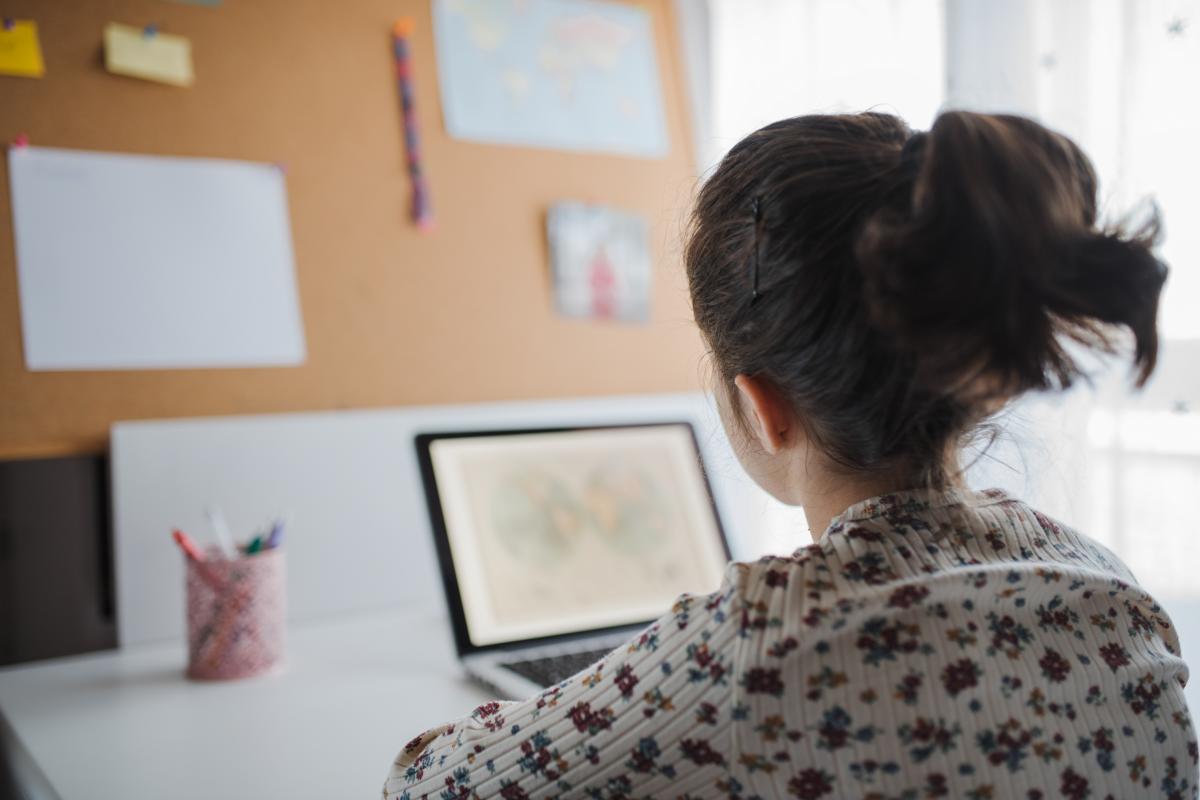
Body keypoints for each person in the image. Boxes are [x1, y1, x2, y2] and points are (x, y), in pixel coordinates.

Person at [381, 110, 1196, 799]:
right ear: (975, 379)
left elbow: (423, 785)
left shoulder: (751, 647)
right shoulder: (1111, 588)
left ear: (765, 408)